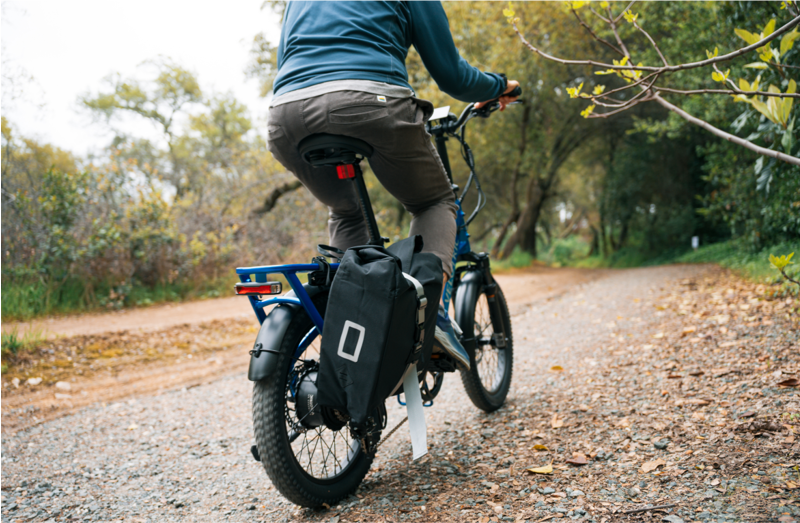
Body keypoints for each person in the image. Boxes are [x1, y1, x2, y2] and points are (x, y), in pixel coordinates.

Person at [266, 1, 519, 370]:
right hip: (368, 102)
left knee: (346, 210)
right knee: (434, 202)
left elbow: (287, 63)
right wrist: (499, 86)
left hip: (285, 116)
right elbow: (453, 77)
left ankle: (350, 321)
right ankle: (426, 322)